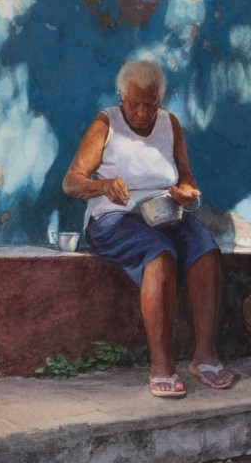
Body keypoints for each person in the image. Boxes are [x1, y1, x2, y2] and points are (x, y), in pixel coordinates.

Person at [63, 58, 233, 398]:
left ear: (160, 101)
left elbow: (186, 175)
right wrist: (104, 185)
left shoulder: (170, 124)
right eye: (135, 104)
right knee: (159, 253)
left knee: (204, 248)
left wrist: (186, 192)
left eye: (150, 105)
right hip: (112, 219)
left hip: (163, 214)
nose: (142, 113)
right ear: (122, 97)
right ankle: (160, 364)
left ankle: (205, 356)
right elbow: (72, 182)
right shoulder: (105, 124)